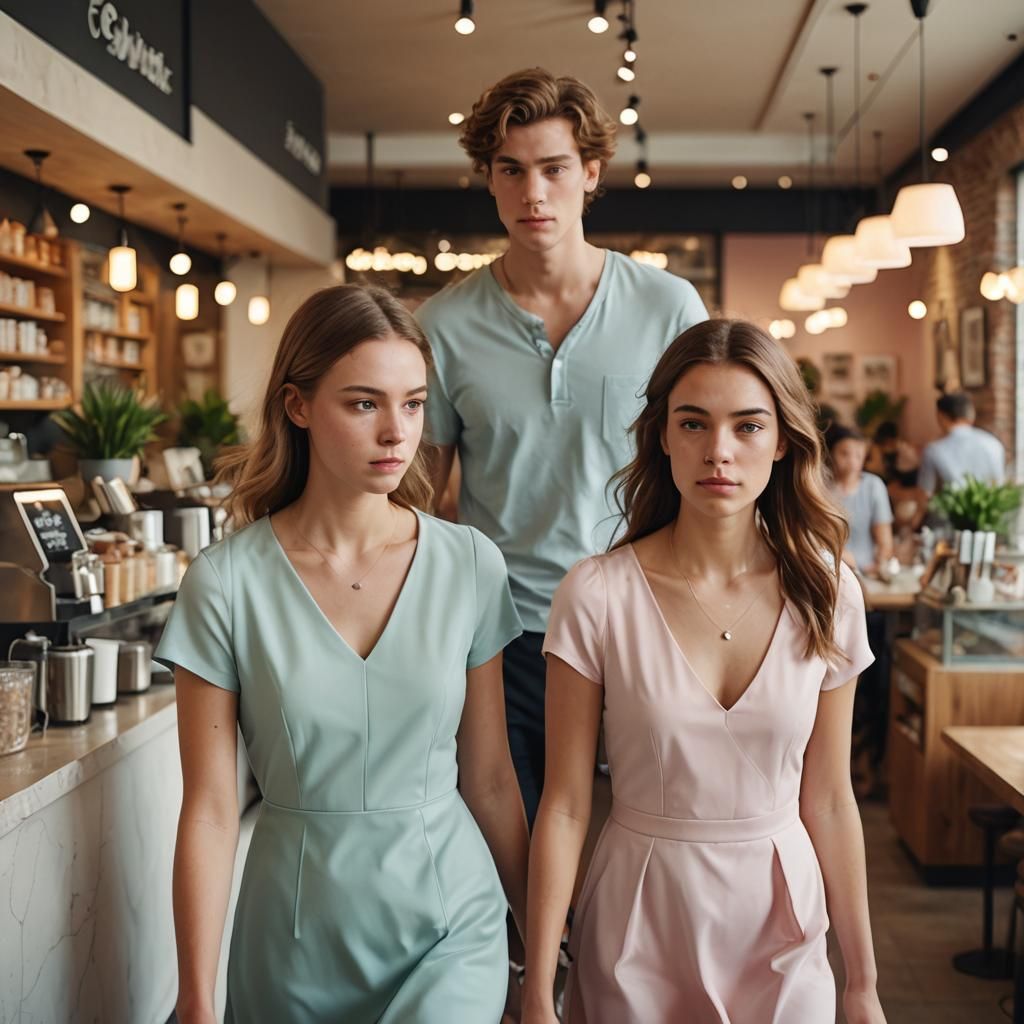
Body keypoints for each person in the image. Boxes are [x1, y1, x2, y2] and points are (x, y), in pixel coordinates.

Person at [157, 285, 530, 1024]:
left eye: (415, 403)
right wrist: (197, 1000)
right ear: (297, 406)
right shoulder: (226, 583)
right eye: (364, 404)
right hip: (296, 934)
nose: (398, 432)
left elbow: (489, 778)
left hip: (451, 921)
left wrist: (552, 942)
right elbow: (209, 807)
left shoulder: (469, 564)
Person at [523, 319, 884, 1024]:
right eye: (694, 423)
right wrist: (538, 987)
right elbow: (565, 803)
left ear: (783, 442)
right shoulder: (596, 593)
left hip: (781, 921)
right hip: (638, 917)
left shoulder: (830, 591)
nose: (718, 451)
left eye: (748, 426)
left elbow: (833, 800)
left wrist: (861, 982)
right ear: (662, 435)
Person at [417, 67, 707, 830]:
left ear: (591, 172)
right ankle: (534, 955)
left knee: (648, 833)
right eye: (510, 171)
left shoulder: (668, 306)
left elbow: (710, 468)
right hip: (500, 633)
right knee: (513, 843)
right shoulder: (444, 326)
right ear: (489, 179)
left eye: (552, 169)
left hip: (642, 619)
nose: (532, 193)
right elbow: (417, 495)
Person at [826, 424, 894, 575]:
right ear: (830, 453)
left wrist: (880, 564)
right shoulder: (819, 487)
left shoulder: (873, 486)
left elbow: (885, 541)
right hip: (827, 571)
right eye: (844, 454)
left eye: (858, 455)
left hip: (864, 572)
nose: (852, 461)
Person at [918, 391, 1006, 495]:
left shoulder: (933, 450)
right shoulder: (994, 444)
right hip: (992, 510)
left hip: (948, 511)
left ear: (941, 416)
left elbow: (924, 494)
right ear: (971, 414)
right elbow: (999, 486)